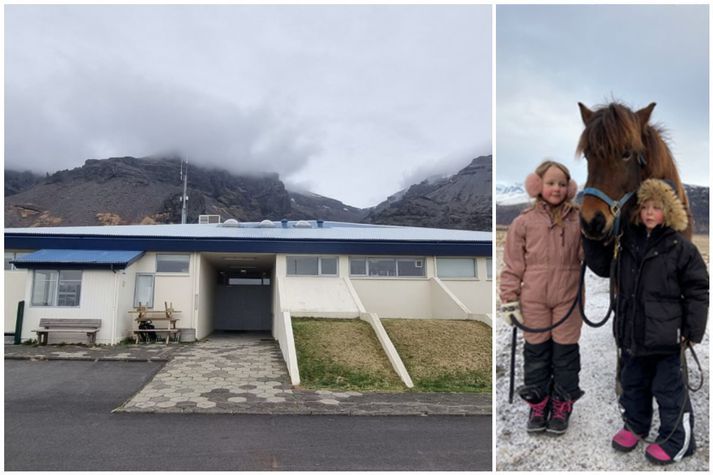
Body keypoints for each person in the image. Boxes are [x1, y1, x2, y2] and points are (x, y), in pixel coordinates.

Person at [584, 178, 708, 465]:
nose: (650, 213)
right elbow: (604, 269)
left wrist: (692, 330)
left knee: (669, 391)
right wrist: (590, 237)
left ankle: (677, 439)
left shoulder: (681, 248)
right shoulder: (625, 243)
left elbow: (698, 289)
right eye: (645, 207)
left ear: (670, 212)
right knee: (633, 385)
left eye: (657, 207)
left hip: (666, 338)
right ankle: (635, 425)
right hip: (631, 334)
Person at [499, 160, 584, 435]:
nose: (556, 189)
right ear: (538, 185)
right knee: (536, 352)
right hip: (534, 298)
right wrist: (509, 299)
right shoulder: (523, 221)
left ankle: (562, 403)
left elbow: (589, 257)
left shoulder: (579, 220)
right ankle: (539, 403)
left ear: (569, 187)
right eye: (550, 183)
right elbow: (513, 265)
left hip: (568, 297)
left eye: (562, 184)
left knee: (565, 354)